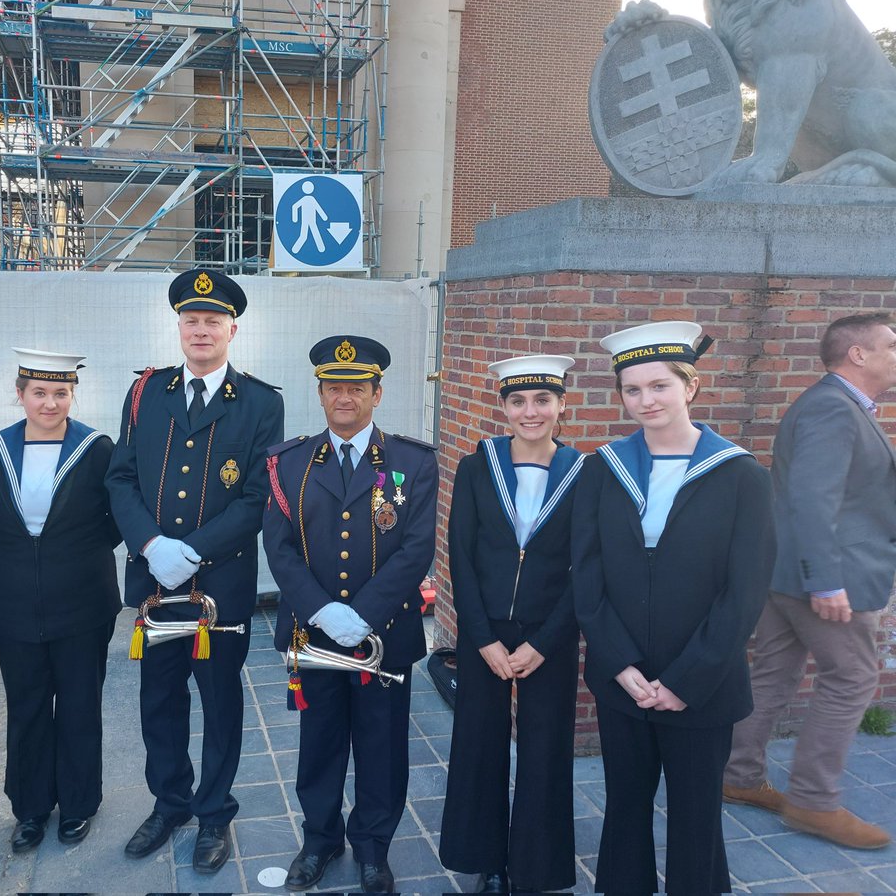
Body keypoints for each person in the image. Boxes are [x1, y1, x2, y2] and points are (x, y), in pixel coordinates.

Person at [572, 321, 776, 894]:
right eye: (632, 390)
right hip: (623, 681)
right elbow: (587, 578)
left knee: (696, 817)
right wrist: (621, 665)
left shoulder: (741, 476)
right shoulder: (603, 469)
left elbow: (744, 593)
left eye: (659, 386)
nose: (646, 401)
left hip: (703, 684)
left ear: (691, 387)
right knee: (626, 810)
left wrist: (685, 679)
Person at [105, 268, 284, 873]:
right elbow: (121, 476)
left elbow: (258, 496)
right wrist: (152, 544)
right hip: (156, 584)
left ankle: (213, 813)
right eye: (191, 320)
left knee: (219, 702)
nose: (201, 330)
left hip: (219, 586)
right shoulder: (145, 393)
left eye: (213, 321)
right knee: (159, 699)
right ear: (178, 326)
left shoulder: (261, 402)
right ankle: (170, 802)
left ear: (232, 328)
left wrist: (194, 551)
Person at [263, 336, 439, 893]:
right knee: (319, 743)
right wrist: (321, 611)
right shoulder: (287, 462)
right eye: (335, 387)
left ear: (377, 393)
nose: (345, 397)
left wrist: (363, 614)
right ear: (320, 394)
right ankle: (319, 840)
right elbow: (279, 545)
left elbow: (416, 548)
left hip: (383, 636)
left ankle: (372, 848)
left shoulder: (412, 461)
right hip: (312, 637)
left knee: (382, 747)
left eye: (356, 388)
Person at [723, 312, 896, 850]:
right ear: (857, 354)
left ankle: (738, 775)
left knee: (774, 673)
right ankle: (813, 802)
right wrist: (826, 581)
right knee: (851, 679)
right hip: (823, 577)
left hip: (787, 572)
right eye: (891, 344)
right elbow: (811, 499)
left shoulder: (835, 405)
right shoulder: (832, 408)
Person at [439, 355, 585, 894]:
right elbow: (462, 555)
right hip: (488, 634)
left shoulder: (582, 471)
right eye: (518, 401)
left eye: (543, 400)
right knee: (480, 744)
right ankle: (487, 861)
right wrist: (480, 637)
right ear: (502, 406)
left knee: (546, 748)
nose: (531, 412)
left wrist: (547, 642)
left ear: (561, 405)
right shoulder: (477, 466)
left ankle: (536, 865)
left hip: (551, 635)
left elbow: (585, 567)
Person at [0, 348, 121, 853]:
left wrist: (68, 554)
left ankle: (79, 804)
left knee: (81, 705)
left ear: (71, 395)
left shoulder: (97, 449)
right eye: (39, 392)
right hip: (16, 607)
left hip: (83, 602)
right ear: (19, 395)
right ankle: (31, 807)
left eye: (61, 393)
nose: (50, 402)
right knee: (28, 707)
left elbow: (116, 522)